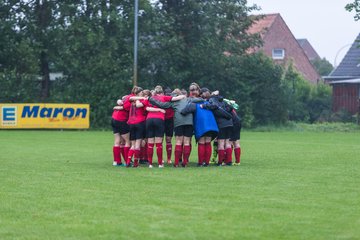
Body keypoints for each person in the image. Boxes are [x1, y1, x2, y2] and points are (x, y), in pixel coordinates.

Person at [148, 83, 202, 167]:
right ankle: (185, 163)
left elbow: (161, 104)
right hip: (189, 122)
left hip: (179, 123)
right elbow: (200, 100)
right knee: (187, 142)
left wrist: (150, 99)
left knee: (178, 142)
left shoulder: (173, 103)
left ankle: (176, 163)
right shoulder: (188, 99)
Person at [143, 86, 184, 168]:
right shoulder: (164, 98)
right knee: (159, 142)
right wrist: (183, 96)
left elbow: (145, 107)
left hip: (151, 120)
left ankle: (151, 163)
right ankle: (160, 163)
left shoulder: (149, 98)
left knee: (151, 142)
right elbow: (176, 98)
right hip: (160, 119)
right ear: (162, 93)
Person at [180, 87, 218, 166]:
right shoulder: (208, 102)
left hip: (201, 125)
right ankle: (206, 163)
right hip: (211, 125)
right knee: (207, 143)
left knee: (201, 143)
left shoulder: (194, 104)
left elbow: (184, 111)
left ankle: (200, 163)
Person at [202, 91, 234, 166]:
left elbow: (213, 106)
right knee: (228, 143)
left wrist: (204, 106)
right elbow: (231, 107)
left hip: (221, 124)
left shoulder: (212, 100)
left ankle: (220, 162)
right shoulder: (223, 101)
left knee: (221, 143)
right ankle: (228, 161)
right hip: (230, 123)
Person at [111, 95, 131, 166]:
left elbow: (120, 102)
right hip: (121, 120)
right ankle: (127, 162)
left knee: (117, 141)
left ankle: (116, 161)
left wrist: (118, 104)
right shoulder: (130, 101)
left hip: (114, 119)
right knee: (127, 141)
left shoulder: (125, 99)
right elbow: (124, 107)